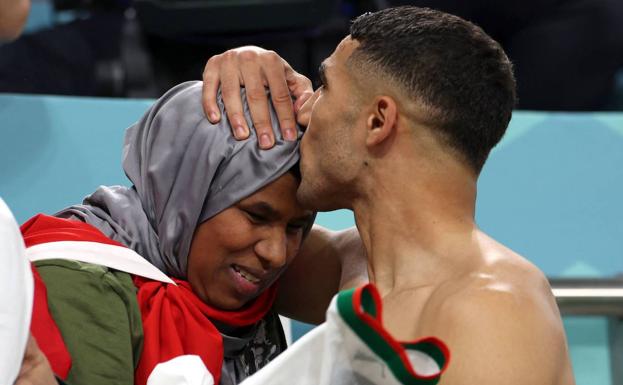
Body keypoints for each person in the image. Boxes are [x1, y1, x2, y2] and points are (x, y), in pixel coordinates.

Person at [202, 6, 575, 385]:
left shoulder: (494, 308)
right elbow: (192, 237)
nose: (303, 110)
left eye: (325, 87)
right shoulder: (354, 265)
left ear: (378, 122)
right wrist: (247, 61)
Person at [21, 81, 376, 385]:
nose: (276, 254)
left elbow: (392, 255)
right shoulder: (78, 280)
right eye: (255, 216)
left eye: (297, 227)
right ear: (189, 192)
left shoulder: (239, 279)